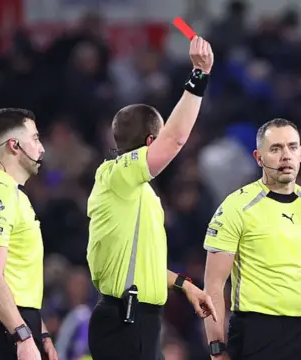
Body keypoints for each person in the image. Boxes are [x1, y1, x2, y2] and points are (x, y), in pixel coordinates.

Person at [86, 36, 217, 360]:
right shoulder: (116, 175)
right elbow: (174, 140)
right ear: (149, 141)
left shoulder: (138, 192)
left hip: (139, 321)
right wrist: (199, 74)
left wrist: (185, 285)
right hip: (123, 322)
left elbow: (144, 266)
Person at [202, 118, 301, 360]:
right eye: (275, 149)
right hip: (256, 332)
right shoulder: (236, 207)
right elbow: (213, 286)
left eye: (292, 147)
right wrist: (216, 348)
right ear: (258, 157)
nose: (286, 156)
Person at [0, 108, 58, 360]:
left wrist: (41, 332)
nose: (42, 149)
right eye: (36, 139)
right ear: (15, 145)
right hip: (1, 328)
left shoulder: (14, 195)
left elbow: (16, 278)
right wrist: (22, 336)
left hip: (16, 322)